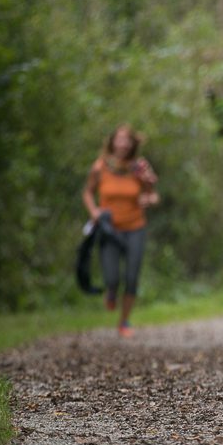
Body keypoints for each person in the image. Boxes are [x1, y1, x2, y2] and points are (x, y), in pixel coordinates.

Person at [82, 125, 159, 338]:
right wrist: (94, 211)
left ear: (133, 143)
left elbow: (153, 196)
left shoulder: (139, 167)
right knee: (112, 277)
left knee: (132, 276)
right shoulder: (100, 167)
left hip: (135, 227)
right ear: (112, 142)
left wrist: (148, 198)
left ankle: (124, 321)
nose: (123, 144)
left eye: (127, 140)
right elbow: (88, 193)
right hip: (109, 229)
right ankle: (111, 291)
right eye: (120, 139)